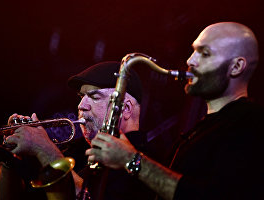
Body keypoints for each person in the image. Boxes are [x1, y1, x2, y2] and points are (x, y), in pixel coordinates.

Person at [86, 22, 264, 200]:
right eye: (194, 51)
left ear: (236, 67)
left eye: (205, 53)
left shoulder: (251, 122)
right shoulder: (201, 129)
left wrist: (130, 159)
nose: (190, 61)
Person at [0, 61, 158, 200]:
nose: (81, 106)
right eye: (81, 97)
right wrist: (11, 158)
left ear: (125, 108)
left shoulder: (145, 164)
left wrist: (44, 149)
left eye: (94, 97)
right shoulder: (75, 150)